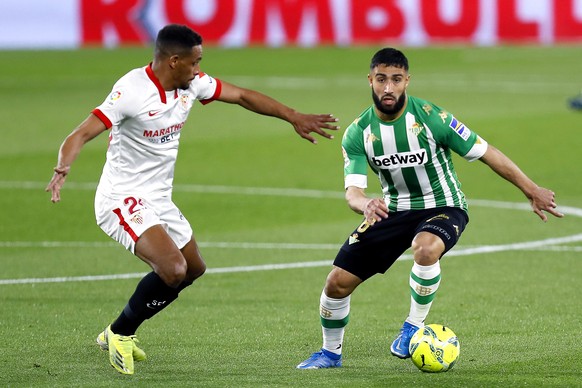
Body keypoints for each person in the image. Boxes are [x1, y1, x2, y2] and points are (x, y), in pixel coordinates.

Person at [45, 24, 339, 375]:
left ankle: (114, 331)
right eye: (195, 61)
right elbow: (81, 133)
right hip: (121, 198)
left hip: (158, 198)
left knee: (194, 268)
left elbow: (242, 96)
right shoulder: (132, 91)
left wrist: (293, 115)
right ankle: (121, 333)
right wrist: (63, 167)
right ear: (173, 61)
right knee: (173, 269)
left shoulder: (191, 85)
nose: (200, 69)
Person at [296, 47, 563, 369]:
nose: (388, 88)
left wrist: (531, 189)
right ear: (370, 80)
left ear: (407, 81)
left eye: (396, 79)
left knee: (425, 249)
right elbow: (353, 192)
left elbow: (486, 151)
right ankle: (330, 353)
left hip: (444, 206)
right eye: (381, 79)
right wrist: (366, 203)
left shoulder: (433, 118)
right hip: (392, 211)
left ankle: (412, 327)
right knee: (336, 283)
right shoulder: (358, 133)